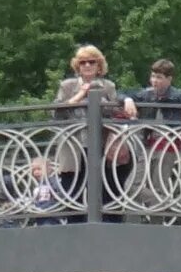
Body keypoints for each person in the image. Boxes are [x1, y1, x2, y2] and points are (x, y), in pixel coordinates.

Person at [46, 44, 133, 218]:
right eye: (83, 62)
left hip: (101, 146)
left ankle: (110, 228)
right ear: (77, 66)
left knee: (108, 190)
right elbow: (55, 112)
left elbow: (116, 113)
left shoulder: (108, 86)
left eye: (91, 62)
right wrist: (81, 94)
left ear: (99, 65)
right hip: (74, 146)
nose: (87, 65)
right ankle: (75, 231)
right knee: (73, 192)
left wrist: (111, 100)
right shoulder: (68, 85)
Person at [124, 57, 181, 213]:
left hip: (167, 146)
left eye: (159, 77)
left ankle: (158, 224)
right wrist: (127, 100)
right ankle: (171, 206)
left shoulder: (178, 95)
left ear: (169, 79)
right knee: (131, 186)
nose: (154, 81)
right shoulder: (147, 94)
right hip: (147, 145)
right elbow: (122, 94)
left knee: (159, 186)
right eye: (153, 76)